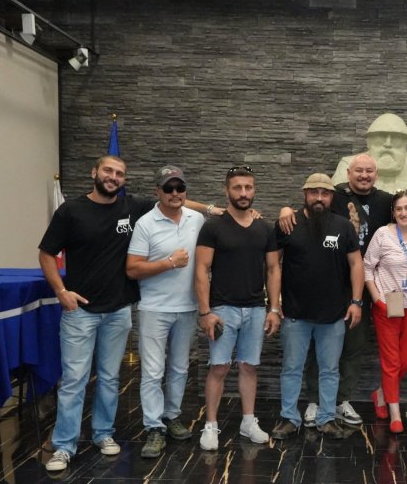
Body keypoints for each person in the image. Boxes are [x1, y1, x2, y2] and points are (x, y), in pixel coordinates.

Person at [38, 155, 153, 471]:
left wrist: (213, 210)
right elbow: (46, 254)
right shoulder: (71, 211)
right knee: (74, 380)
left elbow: (173, 201)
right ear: (94, 173)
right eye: (108, 170)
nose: (113, 177)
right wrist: (61, 291)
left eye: (120, 173)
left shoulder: (131, 207)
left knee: (110, 378)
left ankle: (103, 434)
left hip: (118, 311)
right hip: (80, 312)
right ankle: (64, 446)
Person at [278, 153, 393, 427]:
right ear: (348, 174)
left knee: (354, 348)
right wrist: (284, 209)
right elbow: (307, 206)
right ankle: (314, 402)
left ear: (376, 174)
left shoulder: (386, 201)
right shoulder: (336, 194)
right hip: (324, 288)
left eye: (369, 171)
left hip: (366, 288)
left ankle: (340, 402)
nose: (364, 176)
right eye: (358, 171)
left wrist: (357, 300)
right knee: (315, 354)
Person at [194, 165, 281, 451]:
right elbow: (201, 269)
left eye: (248, 187)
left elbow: (273, 269)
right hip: (222, 310)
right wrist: (205, 312)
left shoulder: (264, 228)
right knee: (219, 367)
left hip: (255, 309)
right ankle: (211, 425)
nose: (243, 193)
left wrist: (274, 309)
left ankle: (248, 421)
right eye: (237, 188)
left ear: (254, 190)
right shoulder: (213, 227)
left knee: (249, 366)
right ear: (226, 191)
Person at [271, 173, 364, 440]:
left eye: (325, 193)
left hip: (333, 315)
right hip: (295, 314)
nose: (319, 198)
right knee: (291, 369)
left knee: (330, 370)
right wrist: (274, 306)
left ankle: (326, 418)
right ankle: (289, 418)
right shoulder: (288, 224)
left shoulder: (343, 225)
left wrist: (356, 302)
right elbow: (273, 266)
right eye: (314, 193)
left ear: (331, 196)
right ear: (305, 194)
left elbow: (356, 264)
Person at [125, 165, 205, 458]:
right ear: (157, 191)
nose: (175, 193)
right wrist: (169, 262)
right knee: (152, 370)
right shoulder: (146, 223)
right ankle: (153, 426)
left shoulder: (197, 219)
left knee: (180, 368)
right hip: (154, 308)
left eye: (179, 188)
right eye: (168, 188)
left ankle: (172, 416)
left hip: (187, 307)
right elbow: (132, 269)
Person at [363, 190, 407, 433]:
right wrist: (376, 299)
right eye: (399, 209)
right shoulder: (383, 234)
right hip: (389, 302)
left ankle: (381, 393)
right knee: (391, 361)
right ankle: (395, 414)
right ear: (393, 212)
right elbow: (367, 267)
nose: (403, 213)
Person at [332, 113, 407, 202]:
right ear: (368, 142)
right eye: (380, 137)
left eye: (396, 138)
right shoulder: (349, 164)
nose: (388, 144)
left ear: (406, 143)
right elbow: (334, 202)